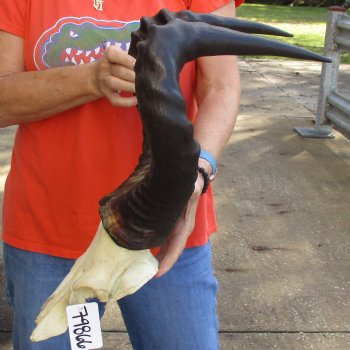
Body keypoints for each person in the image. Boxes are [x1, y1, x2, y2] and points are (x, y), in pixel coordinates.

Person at [0, 0, 243, 349]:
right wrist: (90, 79)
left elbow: (222, 88)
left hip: (166, 225)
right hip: (49, 230)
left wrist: (197, 176)